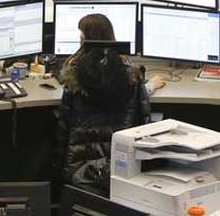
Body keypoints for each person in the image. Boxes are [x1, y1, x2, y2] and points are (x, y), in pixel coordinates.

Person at [54, 14, 153, 196]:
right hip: (121, 165)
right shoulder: (131, 75)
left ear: (84, 41)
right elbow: (145, 120)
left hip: (79, 169)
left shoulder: (73, 76)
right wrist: (149, 87)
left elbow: (62, 131)